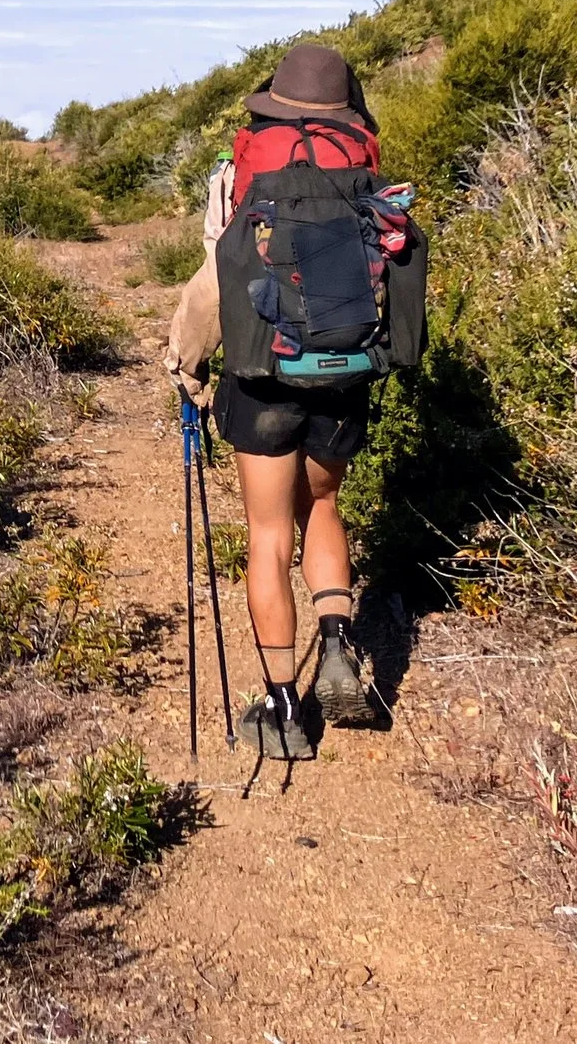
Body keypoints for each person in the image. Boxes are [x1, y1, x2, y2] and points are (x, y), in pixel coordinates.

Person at [164, 41, 391, 759]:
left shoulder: (244, 172)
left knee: (268, 536)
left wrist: (188, 368)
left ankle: (283, 705)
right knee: (321, 504)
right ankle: (336, 645)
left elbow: (214, 282)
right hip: (344, 368)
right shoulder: (360, 166)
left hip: (263, 375)